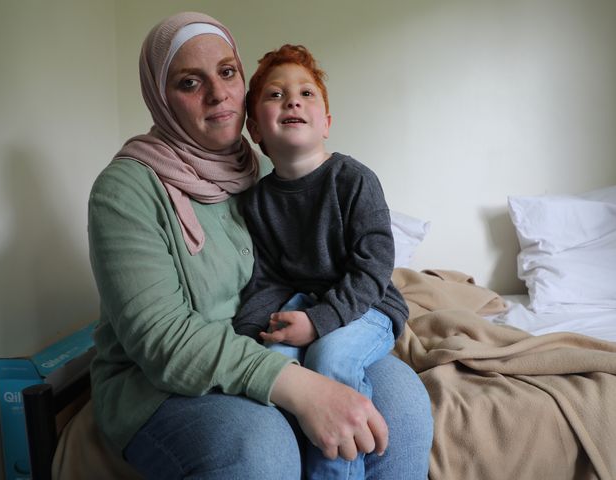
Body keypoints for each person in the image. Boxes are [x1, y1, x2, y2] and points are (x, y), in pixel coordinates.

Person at [87, 11, 433, 479]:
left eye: (227, 72)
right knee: (262, 449)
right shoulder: (126, 189)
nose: (217, 93)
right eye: (190, 83)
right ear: (160, 98)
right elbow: (162, 340)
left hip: (264, 344)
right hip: (162, 384)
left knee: (405, 405)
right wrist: (298, 385)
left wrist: (313, 329)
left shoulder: (247, 173)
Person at [232, 44, 408, 479]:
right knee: (281, 362)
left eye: (306, 93)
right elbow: (263, 278)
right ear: (255, 129)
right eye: (275, 95)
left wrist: (319, 322)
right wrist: (263, 328)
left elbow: (373, 267)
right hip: (303, 305)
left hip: (368, 306)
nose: (292, 100)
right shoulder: (256, 203)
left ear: (326, 122)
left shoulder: (354, 180)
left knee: (329, 358)